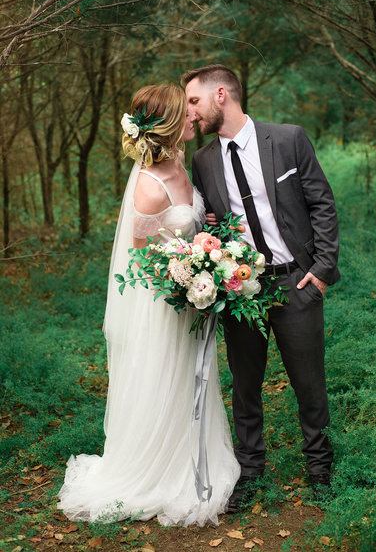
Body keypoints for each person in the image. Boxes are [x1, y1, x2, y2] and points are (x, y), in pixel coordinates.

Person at [57, 84, 240, 526]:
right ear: (168, 125)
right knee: (166, 379)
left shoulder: (180, 162)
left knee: (192, 380)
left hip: (192, 295)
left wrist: (206, 231)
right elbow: (139, 259)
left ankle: (195, 458)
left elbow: (187, 219)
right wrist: (187, 275)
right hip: (164, 306)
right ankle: (157, 472)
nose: (192, 118)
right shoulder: (147, 187)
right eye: (185, 113)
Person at [182, 64, 340, 510]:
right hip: (240, 287)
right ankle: (249, 473)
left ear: (220, 95)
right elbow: (213, 217)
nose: (189, 113)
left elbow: (321, 202)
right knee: (245, 385)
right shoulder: (203, 160)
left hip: (296, 281)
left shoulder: (288, 138)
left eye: (193, 101)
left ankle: (320, 471)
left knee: (309, 384)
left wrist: (323, 270)